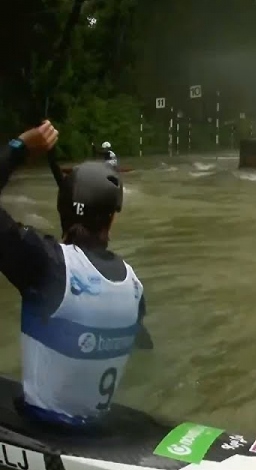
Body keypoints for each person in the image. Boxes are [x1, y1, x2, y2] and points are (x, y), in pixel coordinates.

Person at [0, 121, 150, 429]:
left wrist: (19, 149)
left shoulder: (46, 264)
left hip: (47, 431)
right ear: (111, 220)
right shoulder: (135, 289)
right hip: (97, 428)